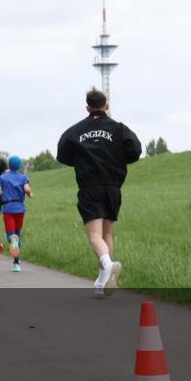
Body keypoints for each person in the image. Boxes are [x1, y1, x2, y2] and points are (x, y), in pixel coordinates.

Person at [56, 88, 141, 297]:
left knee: (94, 235)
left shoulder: (75, 131)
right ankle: (103, 282)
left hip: (90, 186)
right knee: (107, 234)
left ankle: (107, 266)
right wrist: (118, 158)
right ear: (107, 105)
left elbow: (62, 155)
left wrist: (81, 159)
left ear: (87, 107)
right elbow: (135, 151)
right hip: (113, 187)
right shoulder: (120, 129)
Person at [0, 155, 33, 273]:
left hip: (8, 208)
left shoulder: (3, 177)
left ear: (9, 165)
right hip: (20, 208)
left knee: (10, 235)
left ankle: (12, 240)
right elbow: (27, 189)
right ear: (19, 166)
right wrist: (30, 194)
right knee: (18, 233)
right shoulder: (23, 177)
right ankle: (17, 262)